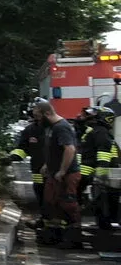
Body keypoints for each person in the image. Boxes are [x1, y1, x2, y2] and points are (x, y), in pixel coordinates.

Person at [33, 99, 83, 248]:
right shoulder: (51, 128)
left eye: (39, 117)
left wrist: (62, 170)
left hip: (67, 174)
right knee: (51, 203)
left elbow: (69, 149)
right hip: (54, 173)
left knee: (68, 205)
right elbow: (55, 150)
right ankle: (53, 235)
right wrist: (47, 165)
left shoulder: (61, 127)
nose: (37, 120)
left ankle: (73, 238)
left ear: (47, 113)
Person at [3, 100, 47, 226]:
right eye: (35, 111)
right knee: (41, 195)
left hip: (56, 171)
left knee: (55, 198)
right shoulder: (30, 130)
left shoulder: (55, 128)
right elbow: (23, 148)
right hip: (38, 170)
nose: (36, 113)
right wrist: (14, 157)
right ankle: (44, 222)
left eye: (38, 110)